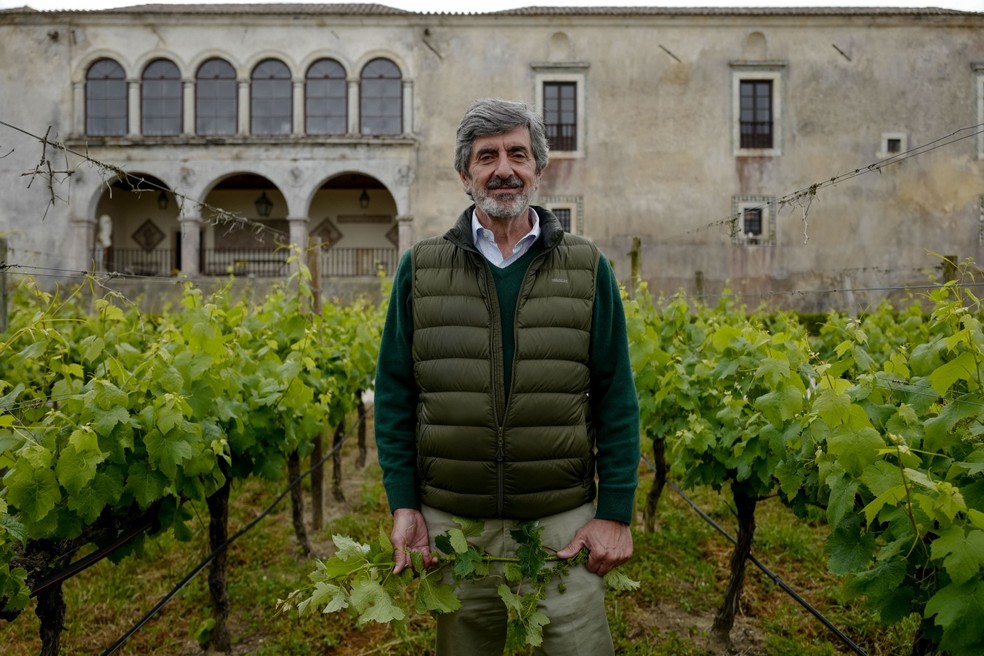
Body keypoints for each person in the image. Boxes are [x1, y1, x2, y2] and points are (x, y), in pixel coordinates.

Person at [374, 98, 640, 655]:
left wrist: (614, 512)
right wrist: (404, 503)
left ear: (539, 168)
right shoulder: (420, 267)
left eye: (518, 154)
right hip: (454, 527)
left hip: (561, 526)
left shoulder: (587, 266)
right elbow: (397, 394)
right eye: (486, 156)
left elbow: (617, 397)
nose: (503, 168)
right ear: (465, 174)